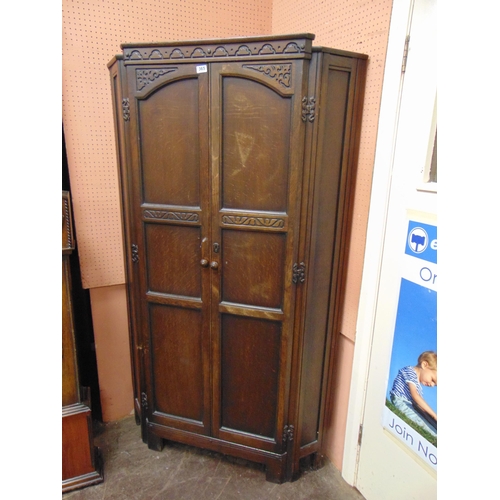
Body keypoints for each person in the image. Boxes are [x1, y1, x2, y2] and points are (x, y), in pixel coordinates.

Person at [389, 351, 437, 437]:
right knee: (425, 427)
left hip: (410, 406)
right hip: (403, 402)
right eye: (433, 380)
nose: (432, 385)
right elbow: (415, 397)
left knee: (431, 427)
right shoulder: (410, 371)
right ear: (424, 365)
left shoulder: (418, 386)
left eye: (435, 384)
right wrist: (434, 416)